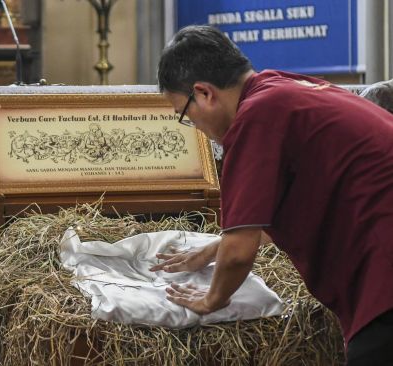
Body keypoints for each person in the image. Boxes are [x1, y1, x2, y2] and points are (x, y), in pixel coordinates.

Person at [149, 25, 393, 365]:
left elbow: (239, 254)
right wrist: (213, 250)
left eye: (187, 116)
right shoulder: (282, 86)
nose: (197, 128)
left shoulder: (256, 118)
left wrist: (211, 300)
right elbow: (286, 206)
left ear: (204, 93)